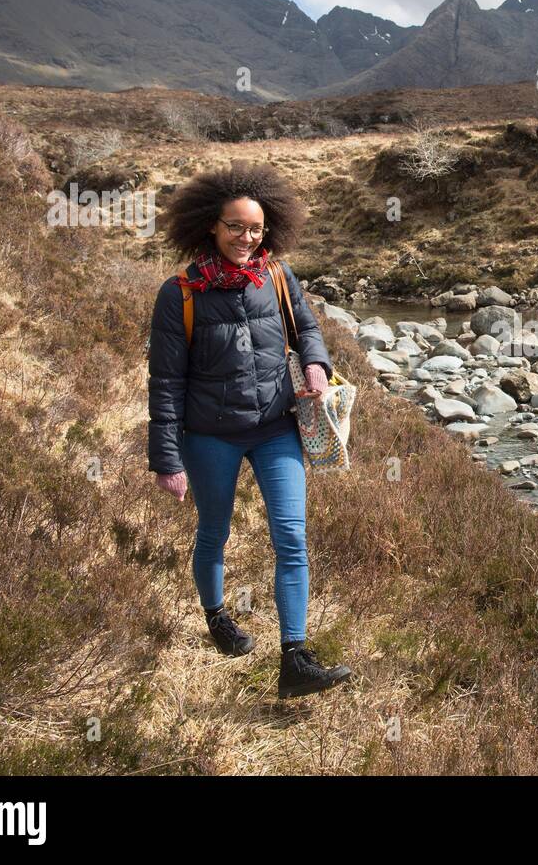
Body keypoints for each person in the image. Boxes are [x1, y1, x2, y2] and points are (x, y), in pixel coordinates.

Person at [147, 161, 351, 699]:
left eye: (255, 228)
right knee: (214, 531)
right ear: (210, 226)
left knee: (292, 536)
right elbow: (165, 381)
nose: (246, 237)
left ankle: (295, 659)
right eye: (235, 226)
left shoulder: (278, 277)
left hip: (273, 427)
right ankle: (217, 617)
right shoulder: (181, 293)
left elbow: (306, 327)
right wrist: (167, 458)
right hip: (209, 434)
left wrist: (316, 365)